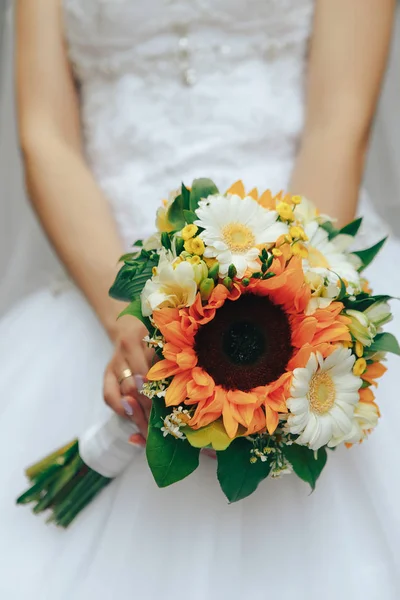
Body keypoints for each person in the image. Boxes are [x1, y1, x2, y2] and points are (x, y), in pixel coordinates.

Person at [0, 0, 399, 598]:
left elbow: (339, 123)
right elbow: (46, 137)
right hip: (107, 278)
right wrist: (130, 322)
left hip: (300, 257)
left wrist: (293, 311)